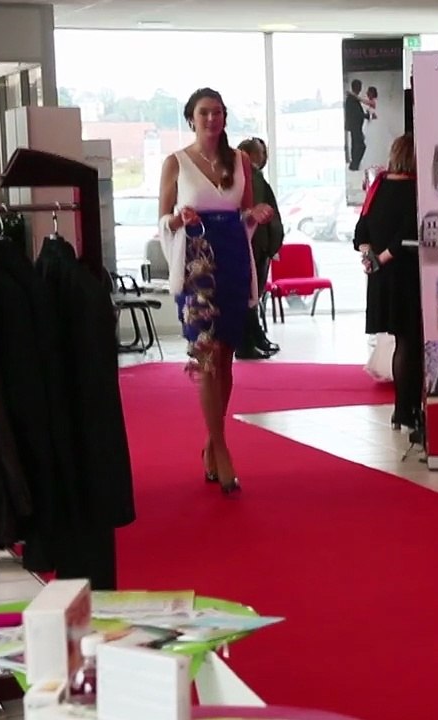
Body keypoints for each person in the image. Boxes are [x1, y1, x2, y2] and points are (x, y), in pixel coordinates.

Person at [158, 87, 274, 496]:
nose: (212, 119)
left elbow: (243, 212)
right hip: (197, 264)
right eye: (205, 113)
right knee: (206, 355)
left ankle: (212, 439)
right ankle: (221, 445)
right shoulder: (175, 163)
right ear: (192, 118)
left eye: (218, 112)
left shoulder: (239, 160)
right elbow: (162, 223)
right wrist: (178, 219)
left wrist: (254, 214)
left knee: (226, 357)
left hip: (234, 259)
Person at [354, 134, 423, 440]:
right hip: (406, 274)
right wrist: (382, 259)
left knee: (400, 342)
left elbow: (361, 231)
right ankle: (407, 409)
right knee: (412, 342)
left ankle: (401, 409)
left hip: (382, 279)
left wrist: (372, 260)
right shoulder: (415, 189)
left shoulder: (378, 186)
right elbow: (408, 233)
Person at [236, 136, 283, 360]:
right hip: (254, 244)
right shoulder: (251, 178)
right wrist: (273, 245)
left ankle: (255, 338)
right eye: (262, 153)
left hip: (255, 244)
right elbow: (265, 214)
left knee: (251, 297)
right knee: (249, 296)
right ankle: (246, 344)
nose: (265, 158)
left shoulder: (250, 177)